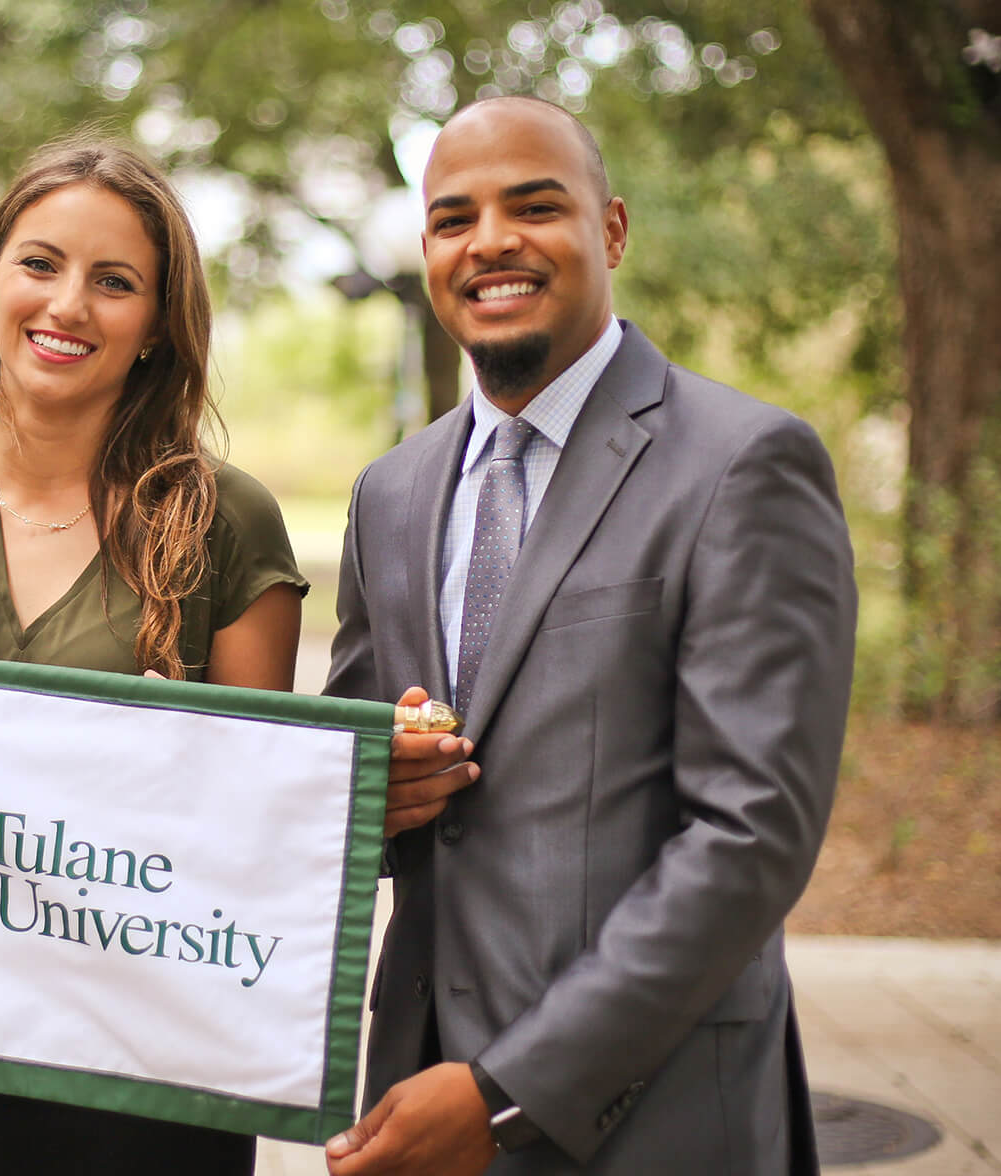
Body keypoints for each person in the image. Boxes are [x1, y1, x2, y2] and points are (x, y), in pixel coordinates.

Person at [320, 96, 857, 1176]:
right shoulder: (390, 493)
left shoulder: (742, 465)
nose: (489, 244)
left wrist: (507, 1094)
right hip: (414, 1106)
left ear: (608, 232)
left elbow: (750, 840)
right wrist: (369, 785)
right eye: (450, 218)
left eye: (533, 206)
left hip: (651, 1119)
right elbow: (340, 774)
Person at [0, 136, 309, 1173]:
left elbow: (255, 827)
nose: (68, 305)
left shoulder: (227, 527)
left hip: (147, 1072)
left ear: (156, 329)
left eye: (114, 282)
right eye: (40, 264)